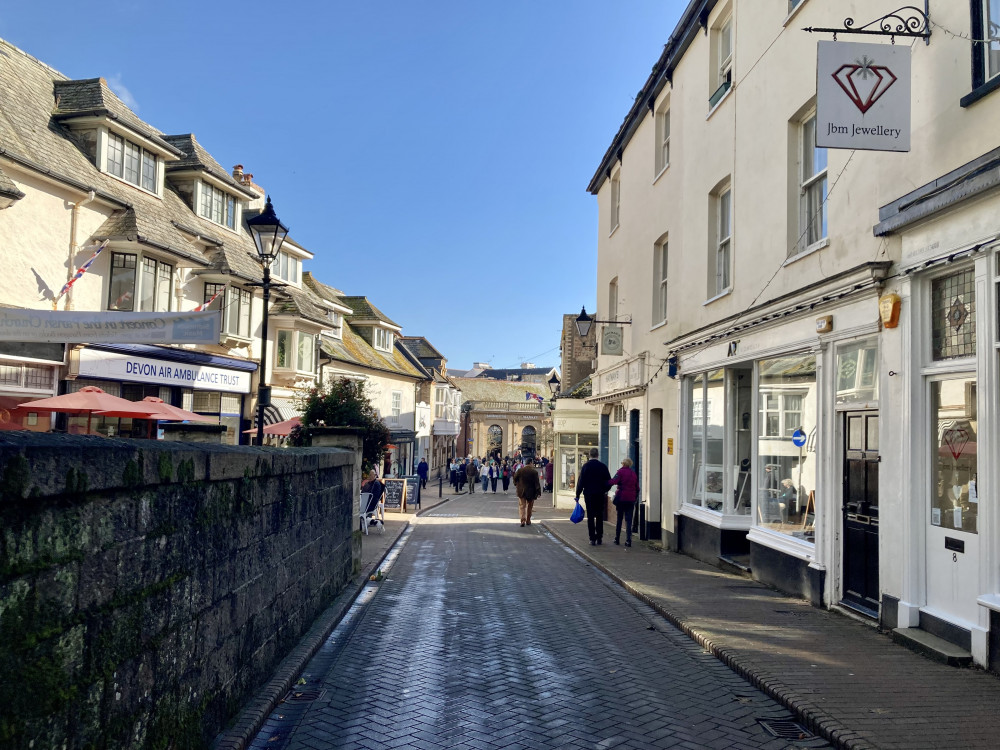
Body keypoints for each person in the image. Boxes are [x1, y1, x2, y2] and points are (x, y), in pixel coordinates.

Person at [576, 447, 611, 545]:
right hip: (600, 494)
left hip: (589, 494)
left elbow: (581, 482)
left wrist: (577, 494)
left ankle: (592, 538)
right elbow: (609, 481)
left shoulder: (586, 466)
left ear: (590, 455)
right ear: (597, 455)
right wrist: (604, 490)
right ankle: (599, 537)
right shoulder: (603, 466)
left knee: (590, 516)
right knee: (599, 515)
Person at [608, 457, 639, 547]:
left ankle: (617, 539)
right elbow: (637, 488)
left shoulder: (620, 472)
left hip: (621, 498)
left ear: (623, 464)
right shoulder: (633, 474)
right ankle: (628, 541)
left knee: (619, 519)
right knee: (628, 521)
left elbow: (614, 481)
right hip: (631, 500)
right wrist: (634, 498)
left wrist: (605, 483)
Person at [513, 457, 542, 527]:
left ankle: (523, 520)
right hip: (531, 492)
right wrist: (538, 492)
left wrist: (516, 484)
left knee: (522, 506)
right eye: (532, 463)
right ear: (530, 463)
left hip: (521, 491)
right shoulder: (534, 472)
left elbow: (515, 478)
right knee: (530, 506)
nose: (533, 465)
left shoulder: (520, 470)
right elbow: (537, 483)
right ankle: (528, 520)